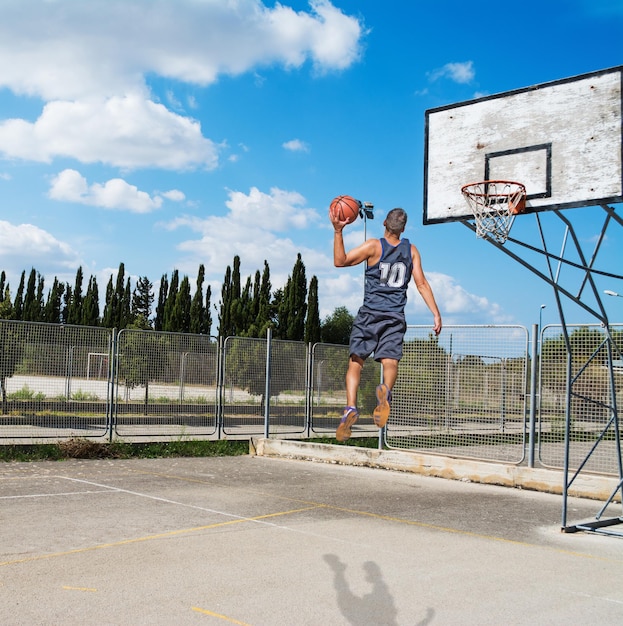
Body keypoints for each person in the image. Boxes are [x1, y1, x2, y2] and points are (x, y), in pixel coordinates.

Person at [330, 205, 442, 442]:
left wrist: (338, 231)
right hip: (394, 316)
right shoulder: (411, 251)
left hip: (370, 314)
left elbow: (340, 261)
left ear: (384, 223)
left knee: (356, 362)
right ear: (403, 228)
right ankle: (386, 394)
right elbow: (421, 284)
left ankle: (350, 407)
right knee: (390, 361)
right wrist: (436, 313)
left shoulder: (373, 246)